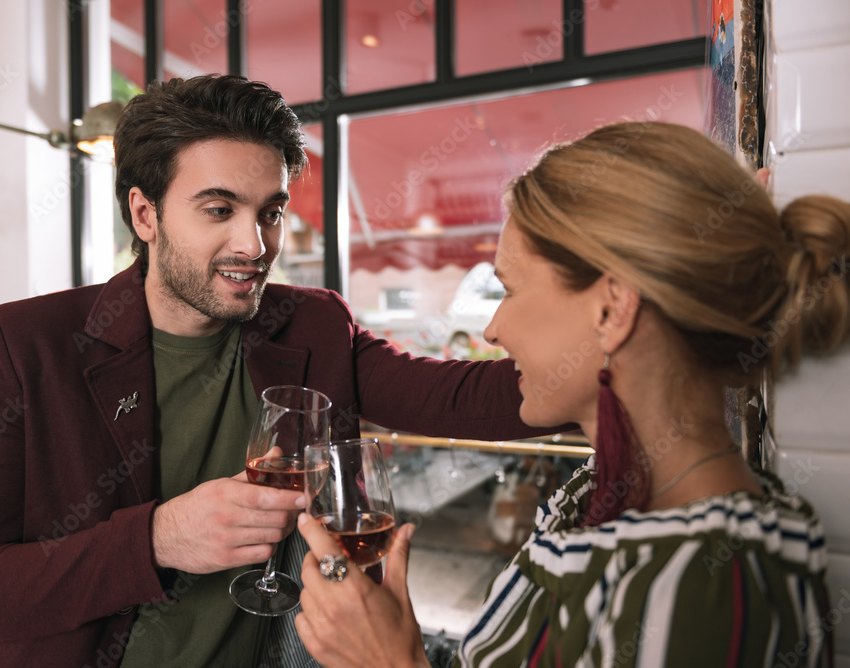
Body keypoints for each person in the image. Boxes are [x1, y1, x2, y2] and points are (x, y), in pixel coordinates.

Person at [0, 74, 561, 667]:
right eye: (219, 210)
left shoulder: (312, 326)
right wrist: (156, 539)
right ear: (146, 214)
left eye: (271, 212)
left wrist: (612, 340)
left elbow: (461, 399)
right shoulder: (27, 344)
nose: (255, 246)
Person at [295, 121, 849, 667]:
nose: (492, 329)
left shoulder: (706, 589)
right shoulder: (607, 492)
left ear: (611, 309)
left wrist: (391, 661)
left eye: (509, 290)